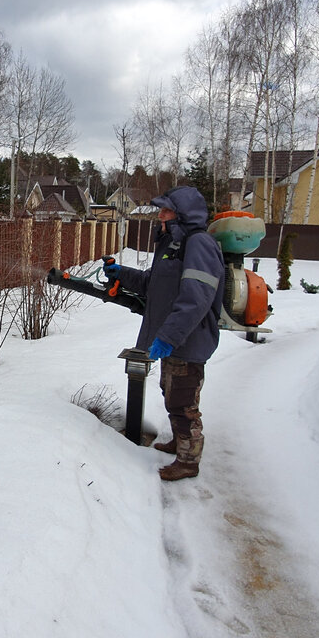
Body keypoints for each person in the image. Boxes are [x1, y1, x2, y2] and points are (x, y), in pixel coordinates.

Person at [104, 186, 225, 480]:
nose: (160, 215)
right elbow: (154, 284)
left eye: (166, 210)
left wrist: (169, 337)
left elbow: (196, 298)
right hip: (173, 339)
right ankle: (179, 442)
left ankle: (188, 460)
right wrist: (123, 274)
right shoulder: (173, 244)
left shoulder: (199, 245)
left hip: (188, 340)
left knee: (183, 402)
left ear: (182, 215)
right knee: (171, 394)